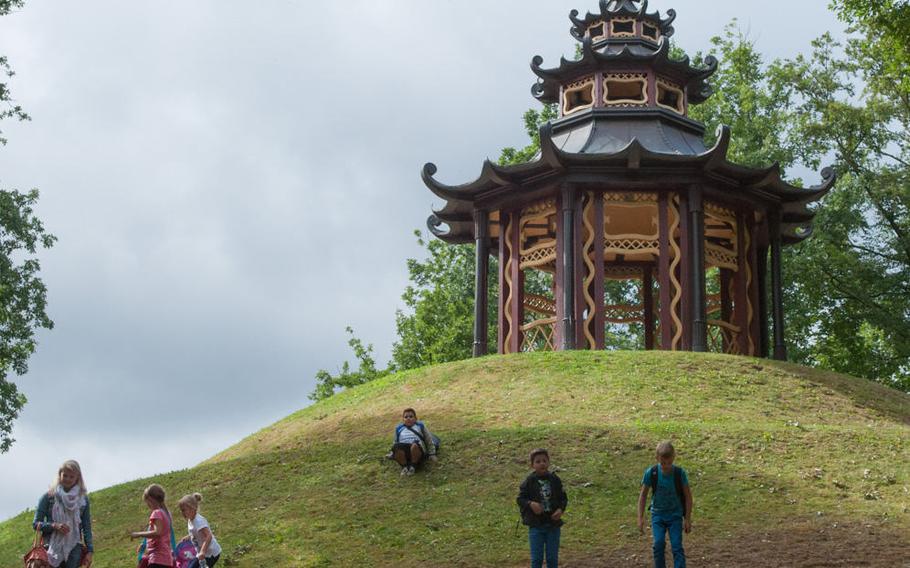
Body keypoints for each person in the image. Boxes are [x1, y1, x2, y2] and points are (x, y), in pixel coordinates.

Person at [637, 441, 693, 568]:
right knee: (658, 544)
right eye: (663, 463)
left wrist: (687, 518)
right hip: (658, 515)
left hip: (675, 515)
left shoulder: (679, 473)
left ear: (673, 457)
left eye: (669, 463)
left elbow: (688, 496)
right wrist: (640, 517)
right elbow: (643, 495)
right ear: (657, 458)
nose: (666, 466)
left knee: (677, 546)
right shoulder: (651, 473)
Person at [32, 459, 94, 568]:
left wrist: (90, 550)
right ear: (59, 475)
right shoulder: (48, 497)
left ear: (77, 478)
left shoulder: (83, 500)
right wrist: (54, 526)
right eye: (65, 475)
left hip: (74, 548)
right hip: (50, 547)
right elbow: (36, 524)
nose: (68, 479)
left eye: (71, 476)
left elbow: (86, 526)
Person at [516, 448, 567, 568]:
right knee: (536, 559)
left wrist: (560, 510)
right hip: (536, 526)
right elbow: (520, 499)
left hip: (553, 526)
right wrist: (530, 504)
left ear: (548, 462)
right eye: (538, 461)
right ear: (532, 465)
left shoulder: (555, 480)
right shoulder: (529, 481)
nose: (542, 463)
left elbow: (563, 498)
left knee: (552, 559)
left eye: (544, 460)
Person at [131, 484, 175, 568]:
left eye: (147, 503)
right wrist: (145, 545)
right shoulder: (166, 513)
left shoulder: (157, 513)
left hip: (157, 559)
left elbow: (157, 532)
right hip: (167, 560)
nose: (148, 506)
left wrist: (138, 534)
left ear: (150, 499)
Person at [177, 493, 222, 568]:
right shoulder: (190, 520)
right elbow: (197, 532)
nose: (183, 513)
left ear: (193, 508)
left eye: (184, 510)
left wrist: (203, 551)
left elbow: (209, 536)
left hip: (211, 553)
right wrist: (189, 537)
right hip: (201, 554)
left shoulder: (198, 521)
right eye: (181, 510)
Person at [391, 407, 437, 476]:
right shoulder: (399, 428)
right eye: (406, 417)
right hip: (404, 449)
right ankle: (405, 467)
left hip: (416, 448)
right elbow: (395, 442)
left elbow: (428, 439)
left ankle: (413, 466)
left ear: (415, 418)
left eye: (411, 416)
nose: (408, 418)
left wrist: (432, 453)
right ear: (403, 420)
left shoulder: (420, 426)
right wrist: (392, 453)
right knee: (396, 446)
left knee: (414, 445)